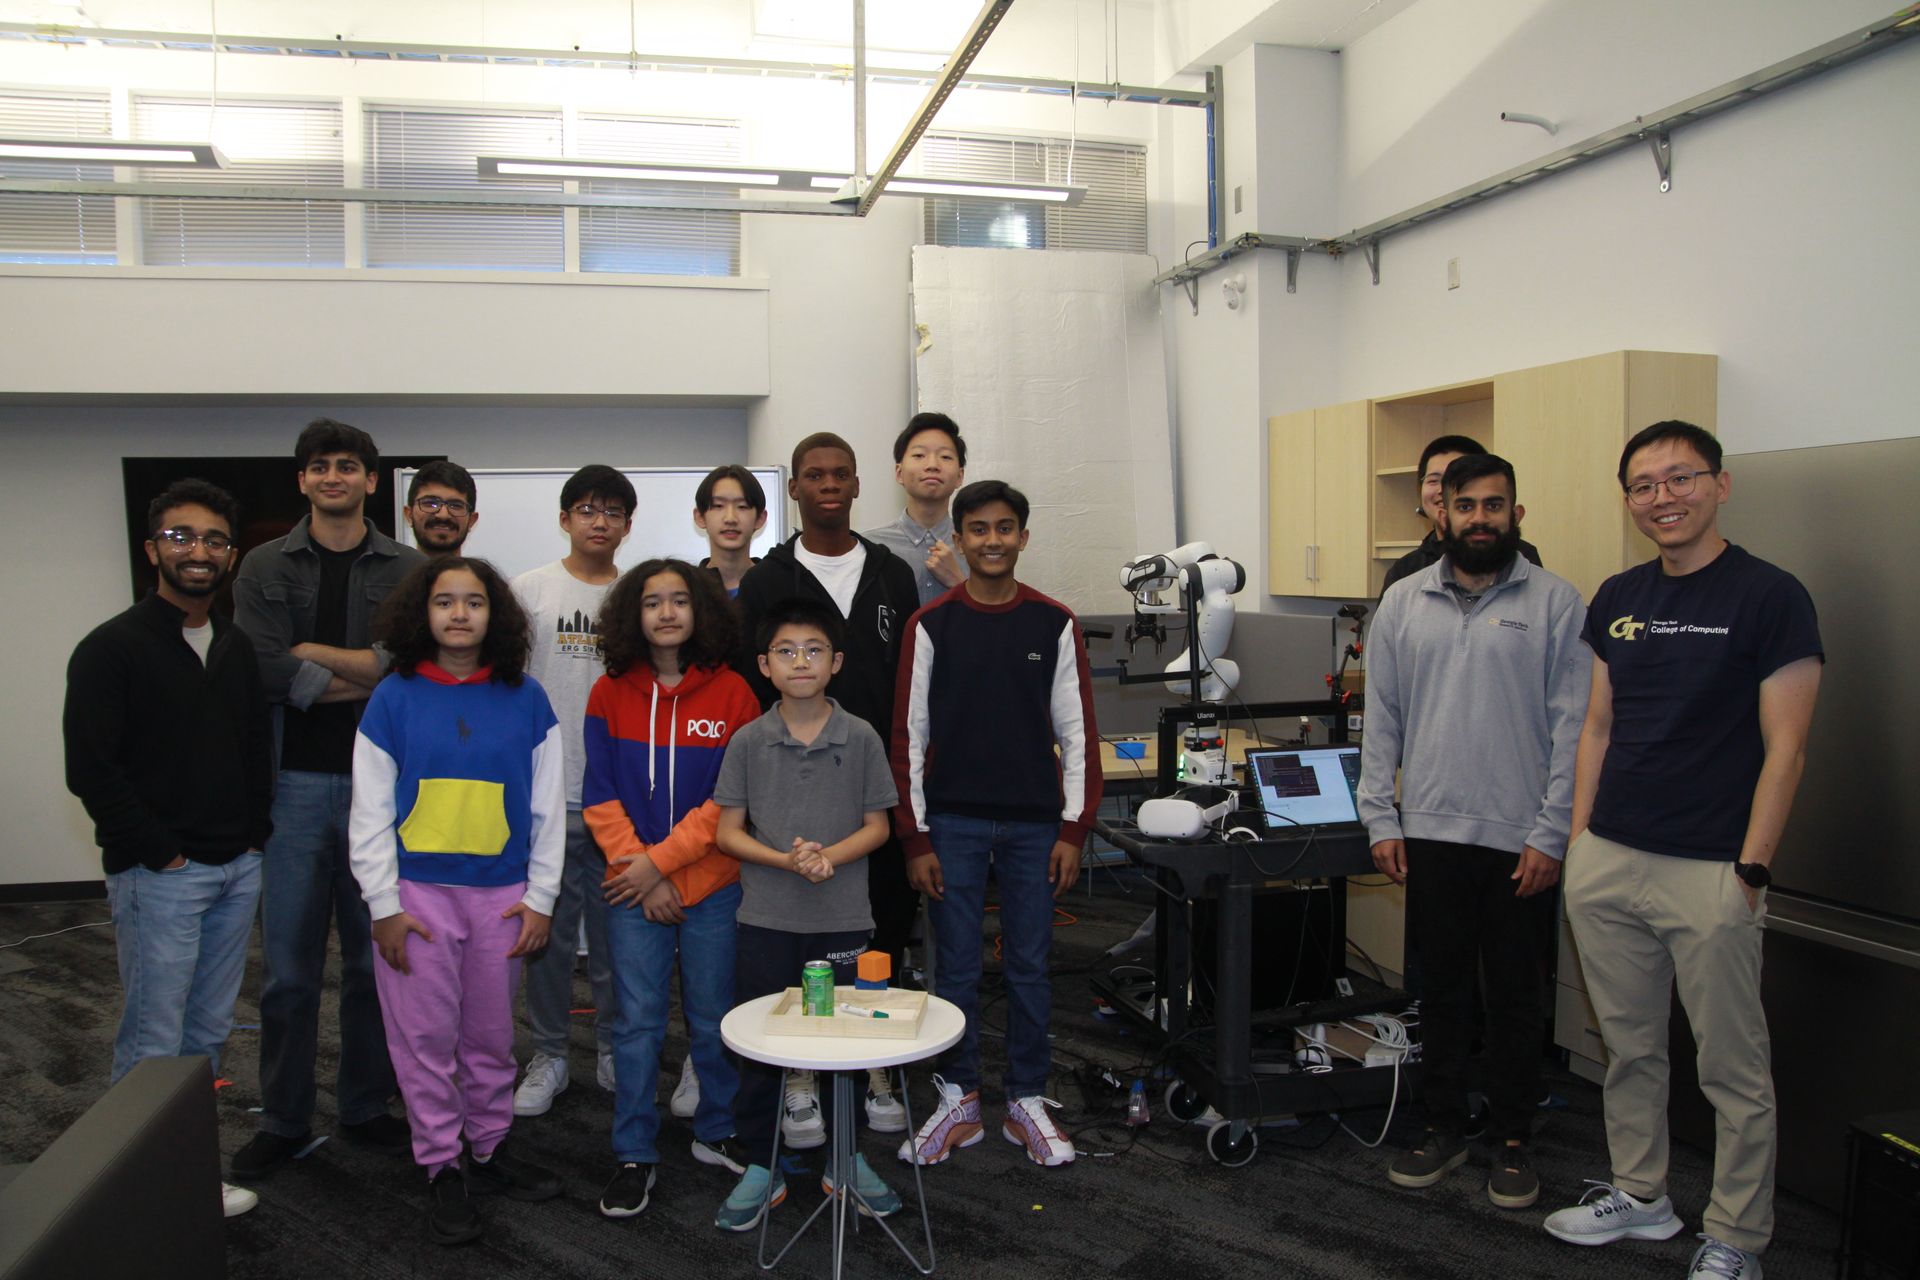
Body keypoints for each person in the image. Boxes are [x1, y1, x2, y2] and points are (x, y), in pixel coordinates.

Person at [1545, 421, 1823, 1280]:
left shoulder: (1771, 597)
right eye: (1643, 485)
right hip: (1611, 860)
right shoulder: (1618, 597)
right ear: (1628, 500)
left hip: (1712, 869)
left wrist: (1751, 869)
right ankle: (1643, 1193)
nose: (1662, 497)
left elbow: (1788, 749)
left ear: (1720, 485)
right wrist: (1582, 841)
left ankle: (1737, 1236)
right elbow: (1598, 725)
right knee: (1629, 1048)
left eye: (1680, 478)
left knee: (1733, 1071)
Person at [1357, 453, 1591, 1210]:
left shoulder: (1558, 603)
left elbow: (1574, 727)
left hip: (1521, 837)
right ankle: (1442, 1124)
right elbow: (1381, 719)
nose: (1480, 518)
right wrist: (1379, 816)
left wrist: (1552, 833)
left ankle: (1514, 1138)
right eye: (1466, 506)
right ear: (1443, 514)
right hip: (1429, 831)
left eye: (1495, 505)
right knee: (1443, 992)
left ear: (1516, 515)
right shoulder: (1402, 603)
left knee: (1518, 999)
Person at [64, 478, 272, 1220]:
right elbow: (91, 770)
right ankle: (137, 1189)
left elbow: (253, 748)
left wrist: (254, 838)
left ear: (231, 556)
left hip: (236, 869)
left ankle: (186, 1174)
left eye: (214, 540)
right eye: (182, 537)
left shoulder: (234, 645)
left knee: (207, 1036)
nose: (199, 552)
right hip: (163, 877)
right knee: (155, 1036)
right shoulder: (111, 649)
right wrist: (162, 853)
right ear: (152, 548)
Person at [348, 557, 566, 1244]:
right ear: (424, 614)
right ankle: (441, 1161)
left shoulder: (527, 697)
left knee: (491, 1038)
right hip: (417, 899)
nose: (461, 614)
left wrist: (541, 898)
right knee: (425, 1040)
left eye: (475, 602)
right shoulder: (394, 696)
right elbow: (369, 812)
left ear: (495, 616)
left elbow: (548, 810)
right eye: (446, 602)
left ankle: (489, 1148)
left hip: (501, 900)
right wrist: (383, 903)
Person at [230, 418, 423, 1182]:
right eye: (320, 466)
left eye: (348, 465)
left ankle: (364, 1107)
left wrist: (314, 660)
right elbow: (262, 667)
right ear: (303, 480)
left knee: (378, 964)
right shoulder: (261, 567)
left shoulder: (409, 568)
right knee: (288, 971)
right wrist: (359, 674)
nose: (334, 476)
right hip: (292, 790)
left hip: (387, 793)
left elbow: (407, 666)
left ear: (372, 481)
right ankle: (283, 1118)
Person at [892, 480, 1102, 1169]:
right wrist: (916, 837)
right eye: (977, 529)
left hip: (1035, 828)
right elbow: (908, 736)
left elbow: (1078, 734)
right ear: (958, 539)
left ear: (1023, 537)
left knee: (1030, 968)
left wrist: (1073, 829)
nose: (991, 541)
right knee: (951, 968)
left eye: (1004, 528)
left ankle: (1025, 1101)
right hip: (950, 822)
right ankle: (957, 1099)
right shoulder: (933, 625)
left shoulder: (1054, 622)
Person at [733, 433, 920, 1143]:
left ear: (858, 483)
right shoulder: (765, 580)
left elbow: (909, 683)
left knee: (878, 934)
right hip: (792, 783)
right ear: (796, 489)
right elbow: (758, 687)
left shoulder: (893, 575)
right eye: (815, 475)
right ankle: (799, 1081)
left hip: (874, 777)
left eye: (842, 473)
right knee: (793, 940)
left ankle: (875, 1069)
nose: (829, 485)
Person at [710, 597, 902, 1231]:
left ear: (836, 662)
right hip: (765, 916)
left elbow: (878, 826)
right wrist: (785, 861)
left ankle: (845, 1158)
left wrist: (826, 859)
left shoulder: (864, 735)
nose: (801, 661)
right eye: (786, 652)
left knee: (845, 1043)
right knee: (763, 1041)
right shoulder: (747, 741)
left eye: (814, 650)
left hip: (845, 915)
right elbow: (728, 833)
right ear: (764, 665)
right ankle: (761, 1160)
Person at [583, 558, 761, 1218]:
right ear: (632, 615)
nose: (665, 612)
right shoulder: (607, 693)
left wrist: (664, 866)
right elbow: (599, 797)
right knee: (636, 1024)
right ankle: (634, 1151)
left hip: (711, 885)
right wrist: (644, 870)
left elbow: (728, 802)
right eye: (652, 601)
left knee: (715, 1017)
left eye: (679, 600)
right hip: (632, 889)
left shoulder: (736, 694)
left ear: (700, 612)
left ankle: (717, 1131)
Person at [511, 465, 636, 1118]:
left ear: (627, 526)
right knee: (549, 940)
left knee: (617, 941)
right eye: (587, 509)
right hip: (547, 798)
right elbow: (508, 694)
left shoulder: (639, 599)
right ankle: (551, 1055)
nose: (599, 521)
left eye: (613, 512)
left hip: (618, 801)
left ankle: (614, 1047)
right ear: (565, 518)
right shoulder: (529, 591)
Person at [1380, 434, 1542, 595]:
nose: (1443, 490)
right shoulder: (1404, 572)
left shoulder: (1522, 558)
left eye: (1458, 478)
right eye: (1434, 480)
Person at [863, 412, 969, 608]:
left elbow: (995, 624)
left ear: (960, 476)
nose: (932, 465)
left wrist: (959, 583)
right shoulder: (869, 548)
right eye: (919, 455)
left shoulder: (976, 547)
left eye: (945, 457)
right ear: (899, 472)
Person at [694, 465, 768, 598]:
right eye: (718, 506)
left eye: (742, 506)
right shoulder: (689, 590)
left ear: (760, 518)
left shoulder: (777, 586)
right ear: (700, 517)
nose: (730, 518)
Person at [404, 460, 480, 556]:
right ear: (409, 515)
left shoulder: (482, 572)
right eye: (430, 503)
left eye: (455, 505)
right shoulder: (393, 571)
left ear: (471, 521)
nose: (443, 515)